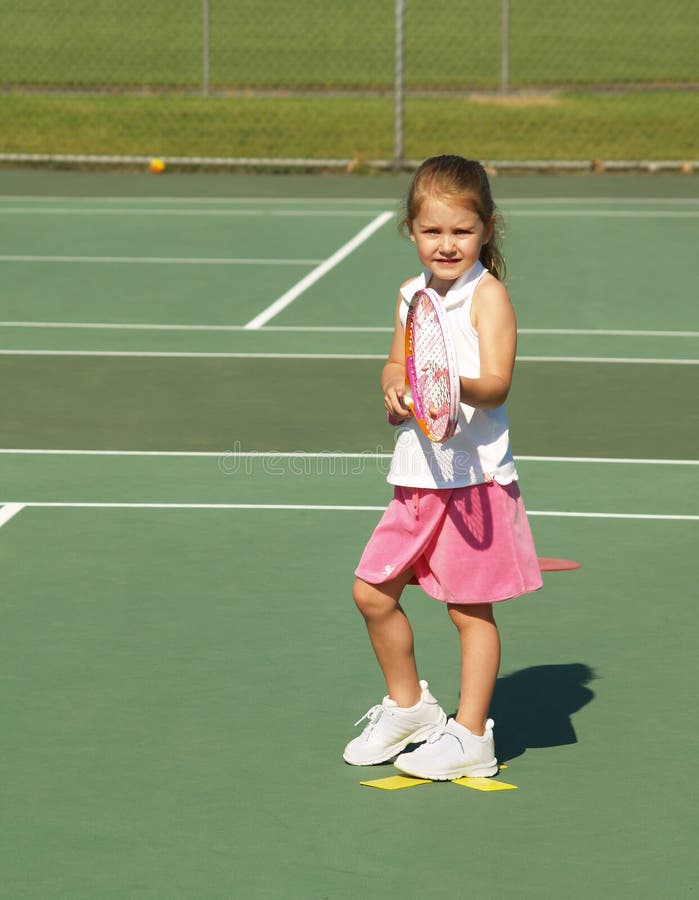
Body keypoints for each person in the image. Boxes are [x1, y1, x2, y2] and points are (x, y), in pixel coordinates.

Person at [343, 155, 543, 781]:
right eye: (433, 232)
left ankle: (472, 735)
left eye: (461, 230)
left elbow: (497, 386)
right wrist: (398, 387)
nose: (447, 244)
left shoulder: (490, 297)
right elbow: (395, 364)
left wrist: (447, 384)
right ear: (411, 230)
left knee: (468, 610)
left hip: (475, 483)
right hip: (417, 479)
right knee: (371, 594)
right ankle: (411, 709)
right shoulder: (410, 296)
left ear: (486, 229)